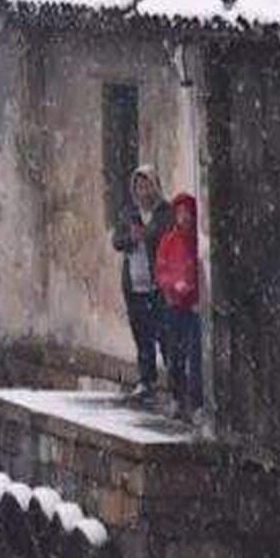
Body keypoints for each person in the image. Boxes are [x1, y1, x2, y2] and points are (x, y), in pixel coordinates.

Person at [112, 165, 172, 402]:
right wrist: (130, 238)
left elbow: (166, 237)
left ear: (155, 186)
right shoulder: (129, 213)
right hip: (134, 285)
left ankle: (176, 385)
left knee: (166, 337)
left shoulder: (164, 212)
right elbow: (117, 241)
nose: (143, 190)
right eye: (138, 186)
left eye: (147, 185)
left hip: (158, 285)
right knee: (142, 335)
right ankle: (147, 381)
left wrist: (146, 235)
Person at [156, 191, 205, 424]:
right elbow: (162, 270)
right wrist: (173, 286)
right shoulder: (169, 240)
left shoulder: (197, 241)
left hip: (193, 307)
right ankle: (177, 397)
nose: (184, 217)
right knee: (174, 354)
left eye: (188, 213)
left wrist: (192, 289)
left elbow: (200, 270)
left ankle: (196, 403)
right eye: (180, 213)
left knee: (194, 356)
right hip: (174, 305)